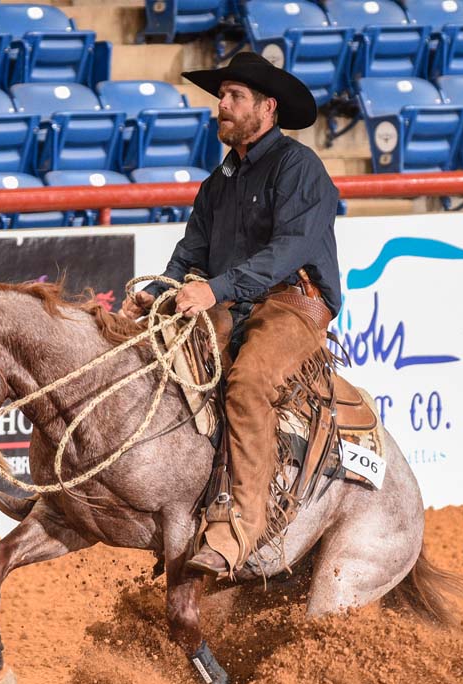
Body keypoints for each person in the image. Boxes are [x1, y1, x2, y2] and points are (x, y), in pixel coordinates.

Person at [120, 51, 341, 578]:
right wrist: (159, 292)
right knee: (161, 364)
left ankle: (241, 525)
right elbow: (190, 252)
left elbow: (287, 252)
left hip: (294, 300)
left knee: (247, 383)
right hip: (230, 299)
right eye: (221, 96)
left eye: (235, 96)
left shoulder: (299, 167)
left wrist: (215, 289)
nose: (222, 104)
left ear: (267, 108)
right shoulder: (218, 181)